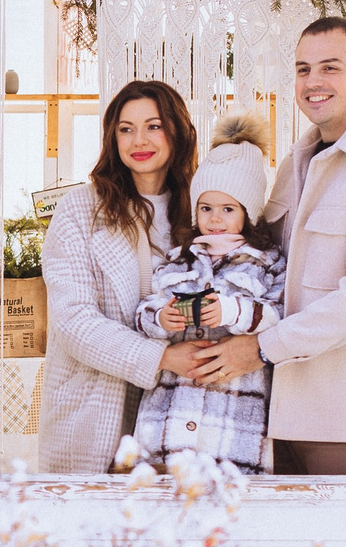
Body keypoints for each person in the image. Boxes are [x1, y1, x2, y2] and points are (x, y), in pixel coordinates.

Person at [178, 16, 346, 476]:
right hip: (281, 410)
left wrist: (258, 348)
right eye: (302, 69)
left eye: (330, 68)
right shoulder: (301, 159)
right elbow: (266, 264)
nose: (313, 82)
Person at [36, 80, 218, 474]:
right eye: (126, 128)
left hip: (181, 408)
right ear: (112, 137)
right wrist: (163, 357)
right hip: (95, 409)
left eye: (154, 126)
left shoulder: (205, 210)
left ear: (177, 131)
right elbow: (73, 322)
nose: (140, 139)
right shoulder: (80, 210)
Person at [131, 115, 283, 472]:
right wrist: (159, 318)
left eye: (228, 209)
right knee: (164, 508)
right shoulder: (178, 259)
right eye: (206, 208)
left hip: (232, 422)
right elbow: (144, 310)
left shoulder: (265, 263)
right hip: (170, 417)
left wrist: (232, 312)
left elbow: (279, 314)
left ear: (248, 213)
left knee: (227, 510)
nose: (215, 219)